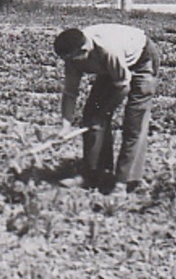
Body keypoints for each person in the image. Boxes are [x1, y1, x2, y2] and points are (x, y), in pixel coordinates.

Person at [53, 23, 159, 194]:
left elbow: (123, 86)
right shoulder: (72, 57)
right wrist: (66, 125)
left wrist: (104, 113)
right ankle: (94, 174)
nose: (70, 64)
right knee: (91, 115)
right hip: (112, 69)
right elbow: (70, 93)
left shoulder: (109, 50)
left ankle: (124, 182)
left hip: (141, 60)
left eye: (73, 59)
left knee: (134, 123)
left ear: (84, 51)